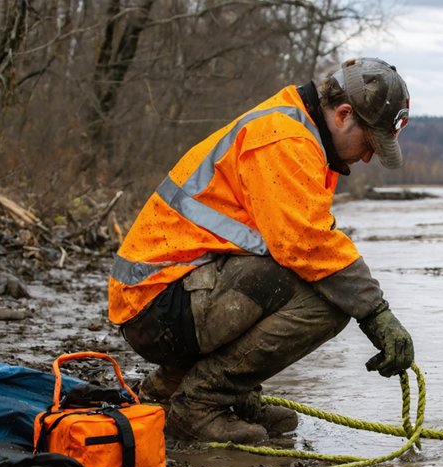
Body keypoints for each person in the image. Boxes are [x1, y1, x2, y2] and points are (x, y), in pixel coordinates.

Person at [107, 57, 415, 444]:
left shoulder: (300, 132)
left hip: (165, 295)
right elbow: (307, 244)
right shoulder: (285, 139)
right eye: (370, 142)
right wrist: (376, 314)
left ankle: (179, 387)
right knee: (331, 302)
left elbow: (305, 239)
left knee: (312, 280)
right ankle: (201, 402)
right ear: (343, 114)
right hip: (157, 308)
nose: (369, 156)